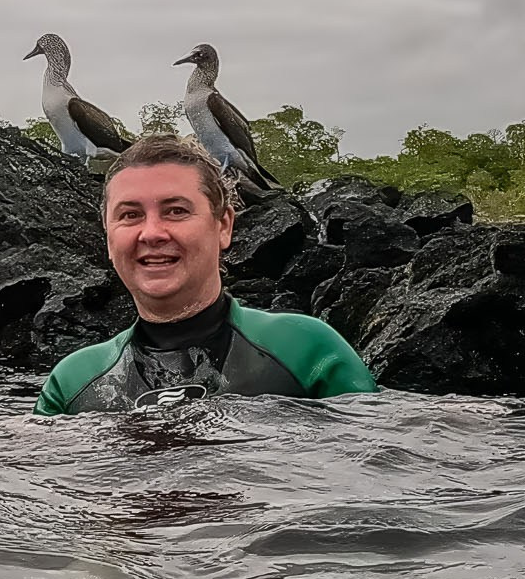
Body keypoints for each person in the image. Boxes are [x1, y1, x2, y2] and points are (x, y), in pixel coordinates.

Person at [36, 134, 377, 414]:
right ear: (108, 237)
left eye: (176, 210)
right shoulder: (74, 383)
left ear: (224, 225)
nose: (152, 232)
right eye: (129, 215)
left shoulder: (305, 351)